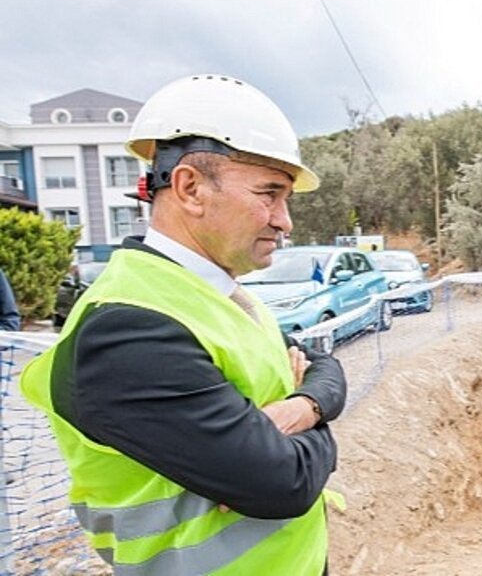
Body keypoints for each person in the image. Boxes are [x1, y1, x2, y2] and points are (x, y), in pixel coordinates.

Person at [20, 75, 346, 575]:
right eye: (269, 194)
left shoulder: (214, 296)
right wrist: (320, 433)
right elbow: (284, 483)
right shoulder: (127, 329)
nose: (285, 221)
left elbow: (323, 366)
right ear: (190, 187)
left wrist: (302, 408)